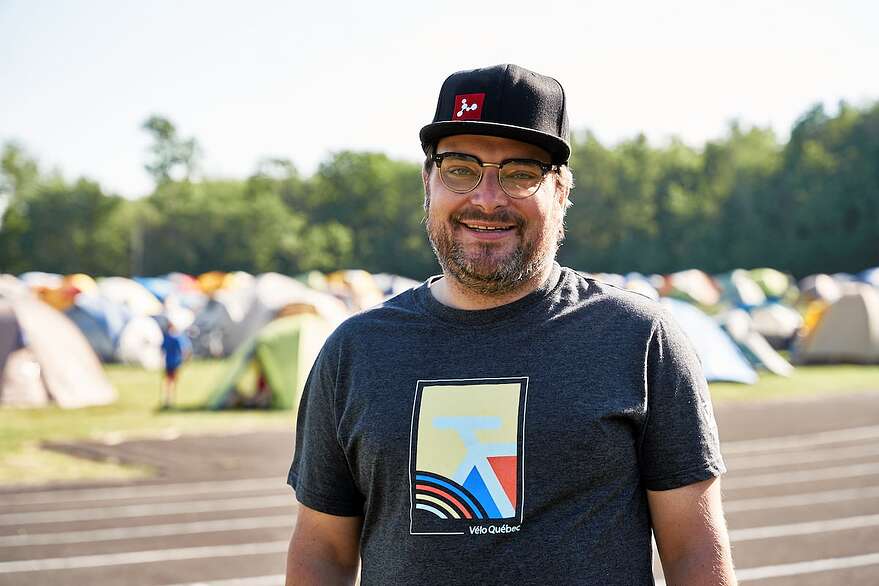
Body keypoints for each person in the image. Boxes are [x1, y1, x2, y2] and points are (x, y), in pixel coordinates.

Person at [286, 64, 736, 585]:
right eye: (460, 168)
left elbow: (695, 552)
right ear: (428, 181)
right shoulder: (355, 351)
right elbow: (322, 549)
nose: (488, 198)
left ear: (561, 191)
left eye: (522, 173)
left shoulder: (639, 340)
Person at [160, 322, 190, 409]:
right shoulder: (177, 338)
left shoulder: (167, 337)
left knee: (168, 382)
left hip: (169, 363)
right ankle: (171, 400)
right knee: (173, 382)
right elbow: (184, 350)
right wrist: (186, 360)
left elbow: (162, 349)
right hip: (175, 363)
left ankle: (167, 400)